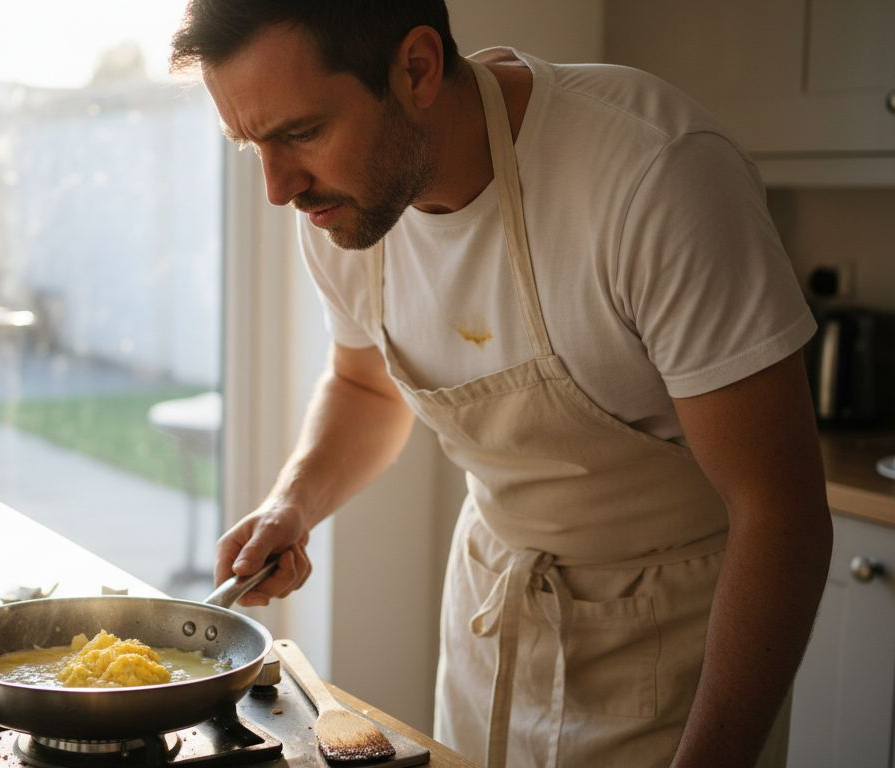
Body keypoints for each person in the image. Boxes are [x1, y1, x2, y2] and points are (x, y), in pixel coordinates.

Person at [169, 2, 832, 767]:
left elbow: (780, 515)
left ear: (416, 69)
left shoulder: (654, 172)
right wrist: (294, 502)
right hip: (493, 617)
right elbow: (365, 386)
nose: (278, 189)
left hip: (681, 645)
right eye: (252, 145)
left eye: (301, 133)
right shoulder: (344, 207)